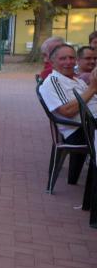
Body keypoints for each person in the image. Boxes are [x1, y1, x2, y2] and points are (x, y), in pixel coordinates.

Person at [39, 43, 97, 187]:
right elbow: (67, 112)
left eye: (71, 58)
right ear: (52, 62)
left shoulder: (77, 80)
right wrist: (92, 88)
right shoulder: (53, 82)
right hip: (80, 130)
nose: (68, 62)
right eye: (63, 58)